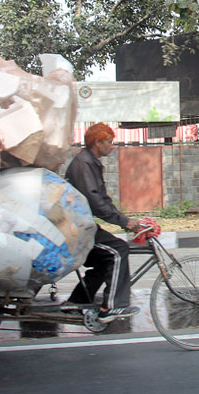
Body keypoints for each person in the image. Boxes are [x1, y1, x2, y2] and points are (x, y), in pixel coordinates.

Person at [64, 123, 142, 323]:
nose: (112, 146)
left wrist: (123, 220)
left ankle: (76, 302)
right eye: (109, 142)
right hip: (76, 228)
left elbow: (103, 200)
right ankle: (113, 307)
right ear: (97, 142)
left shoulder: (90, 162)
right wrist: (124, 221)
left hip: (81, 223)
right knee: (118, 251)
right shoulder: (84, 164)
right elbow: (95, 201)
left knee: (103, 260)